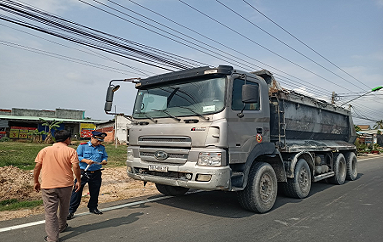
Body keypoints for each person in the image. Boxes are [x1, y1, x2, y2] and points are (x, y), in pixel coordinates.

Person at [33, 130, 81, 242]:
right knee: (64, 207)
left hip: (48, 185)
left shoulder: (44, 150)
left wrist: (36, 181)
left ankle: (52, 238)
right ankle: (62, 226)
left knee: (50, 212)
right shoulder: (71, 151)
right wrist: (78, 180)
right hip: (66, 185)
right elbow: (76, 167)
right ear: (67, 139)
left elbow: (37, 167)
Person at [67, 131, 108, 220]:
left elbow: (105, 156)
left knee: (95, 191)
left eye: (101, 141)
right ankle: (71, 211)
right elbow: (77, 156)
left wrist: (104, 160)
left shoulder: (101, 148)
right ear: (92, 138)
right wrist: (85, 160)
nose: (99, 143)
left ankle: (93, 207)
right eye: (97, 140)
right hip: (83, 172)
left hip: (96, 172)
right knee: (77, 191)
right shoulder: (82, 146)